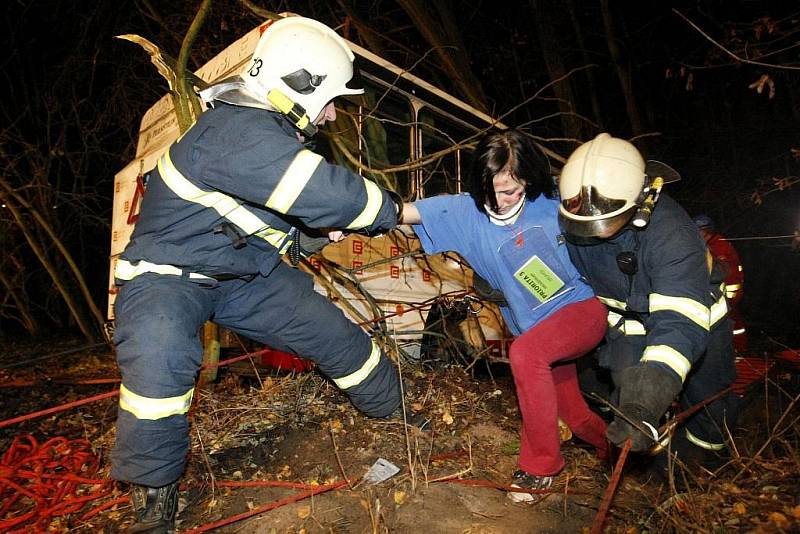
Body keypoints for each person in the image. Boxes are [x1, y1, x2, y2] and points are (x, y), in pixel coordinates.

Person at [112, 17, 404, 533]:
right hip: (168, 275)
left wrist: (312, 237)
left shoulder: (263, 133)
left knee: (332, 333)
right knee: (160, 357)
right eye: (331, 98)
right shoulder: (238, 130)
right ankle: (155, 498)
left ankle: (394, 411)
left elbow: (266, 217)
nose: (333, 113)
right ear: (300, 83)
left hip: (244, 275)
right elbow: (325, 193)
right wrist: (394, 210)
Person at [401, 129, 609, 502]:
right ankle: (612, 448)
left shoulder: (555, 200)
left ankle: (539, 468)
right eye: (490, 191)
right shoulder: (465, 213)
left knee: (526, 354)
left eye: (510, 190)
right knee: (575, 415)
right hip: (538, 330)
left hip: (581, 310)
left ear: (528, 180)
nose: (498, 202)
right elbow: (401, 213)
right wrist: (341, 219)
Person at [557, 133, 738, 473]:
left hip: (695, 326)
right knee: (629, 408)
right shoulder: (574, 214)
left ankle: (699, 479)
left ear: (643, 200)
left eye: (608, 221)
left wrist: (649, 396)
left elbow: (678, 324)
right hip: (628, 328)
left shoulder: (674, 237)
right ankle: (650, 479)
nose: (597, 232)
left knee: (707, 411)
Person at [693, 214, 748, 352]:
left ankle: (738, 351)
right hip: (715, 295)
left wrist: (727, 298)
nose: (698, 234)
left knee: (732, 325)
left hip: (726, 295)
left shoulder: (719, 246)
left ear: (708, 231)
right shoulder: (704, 245)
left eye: (701, 231)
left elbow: (725, 274)